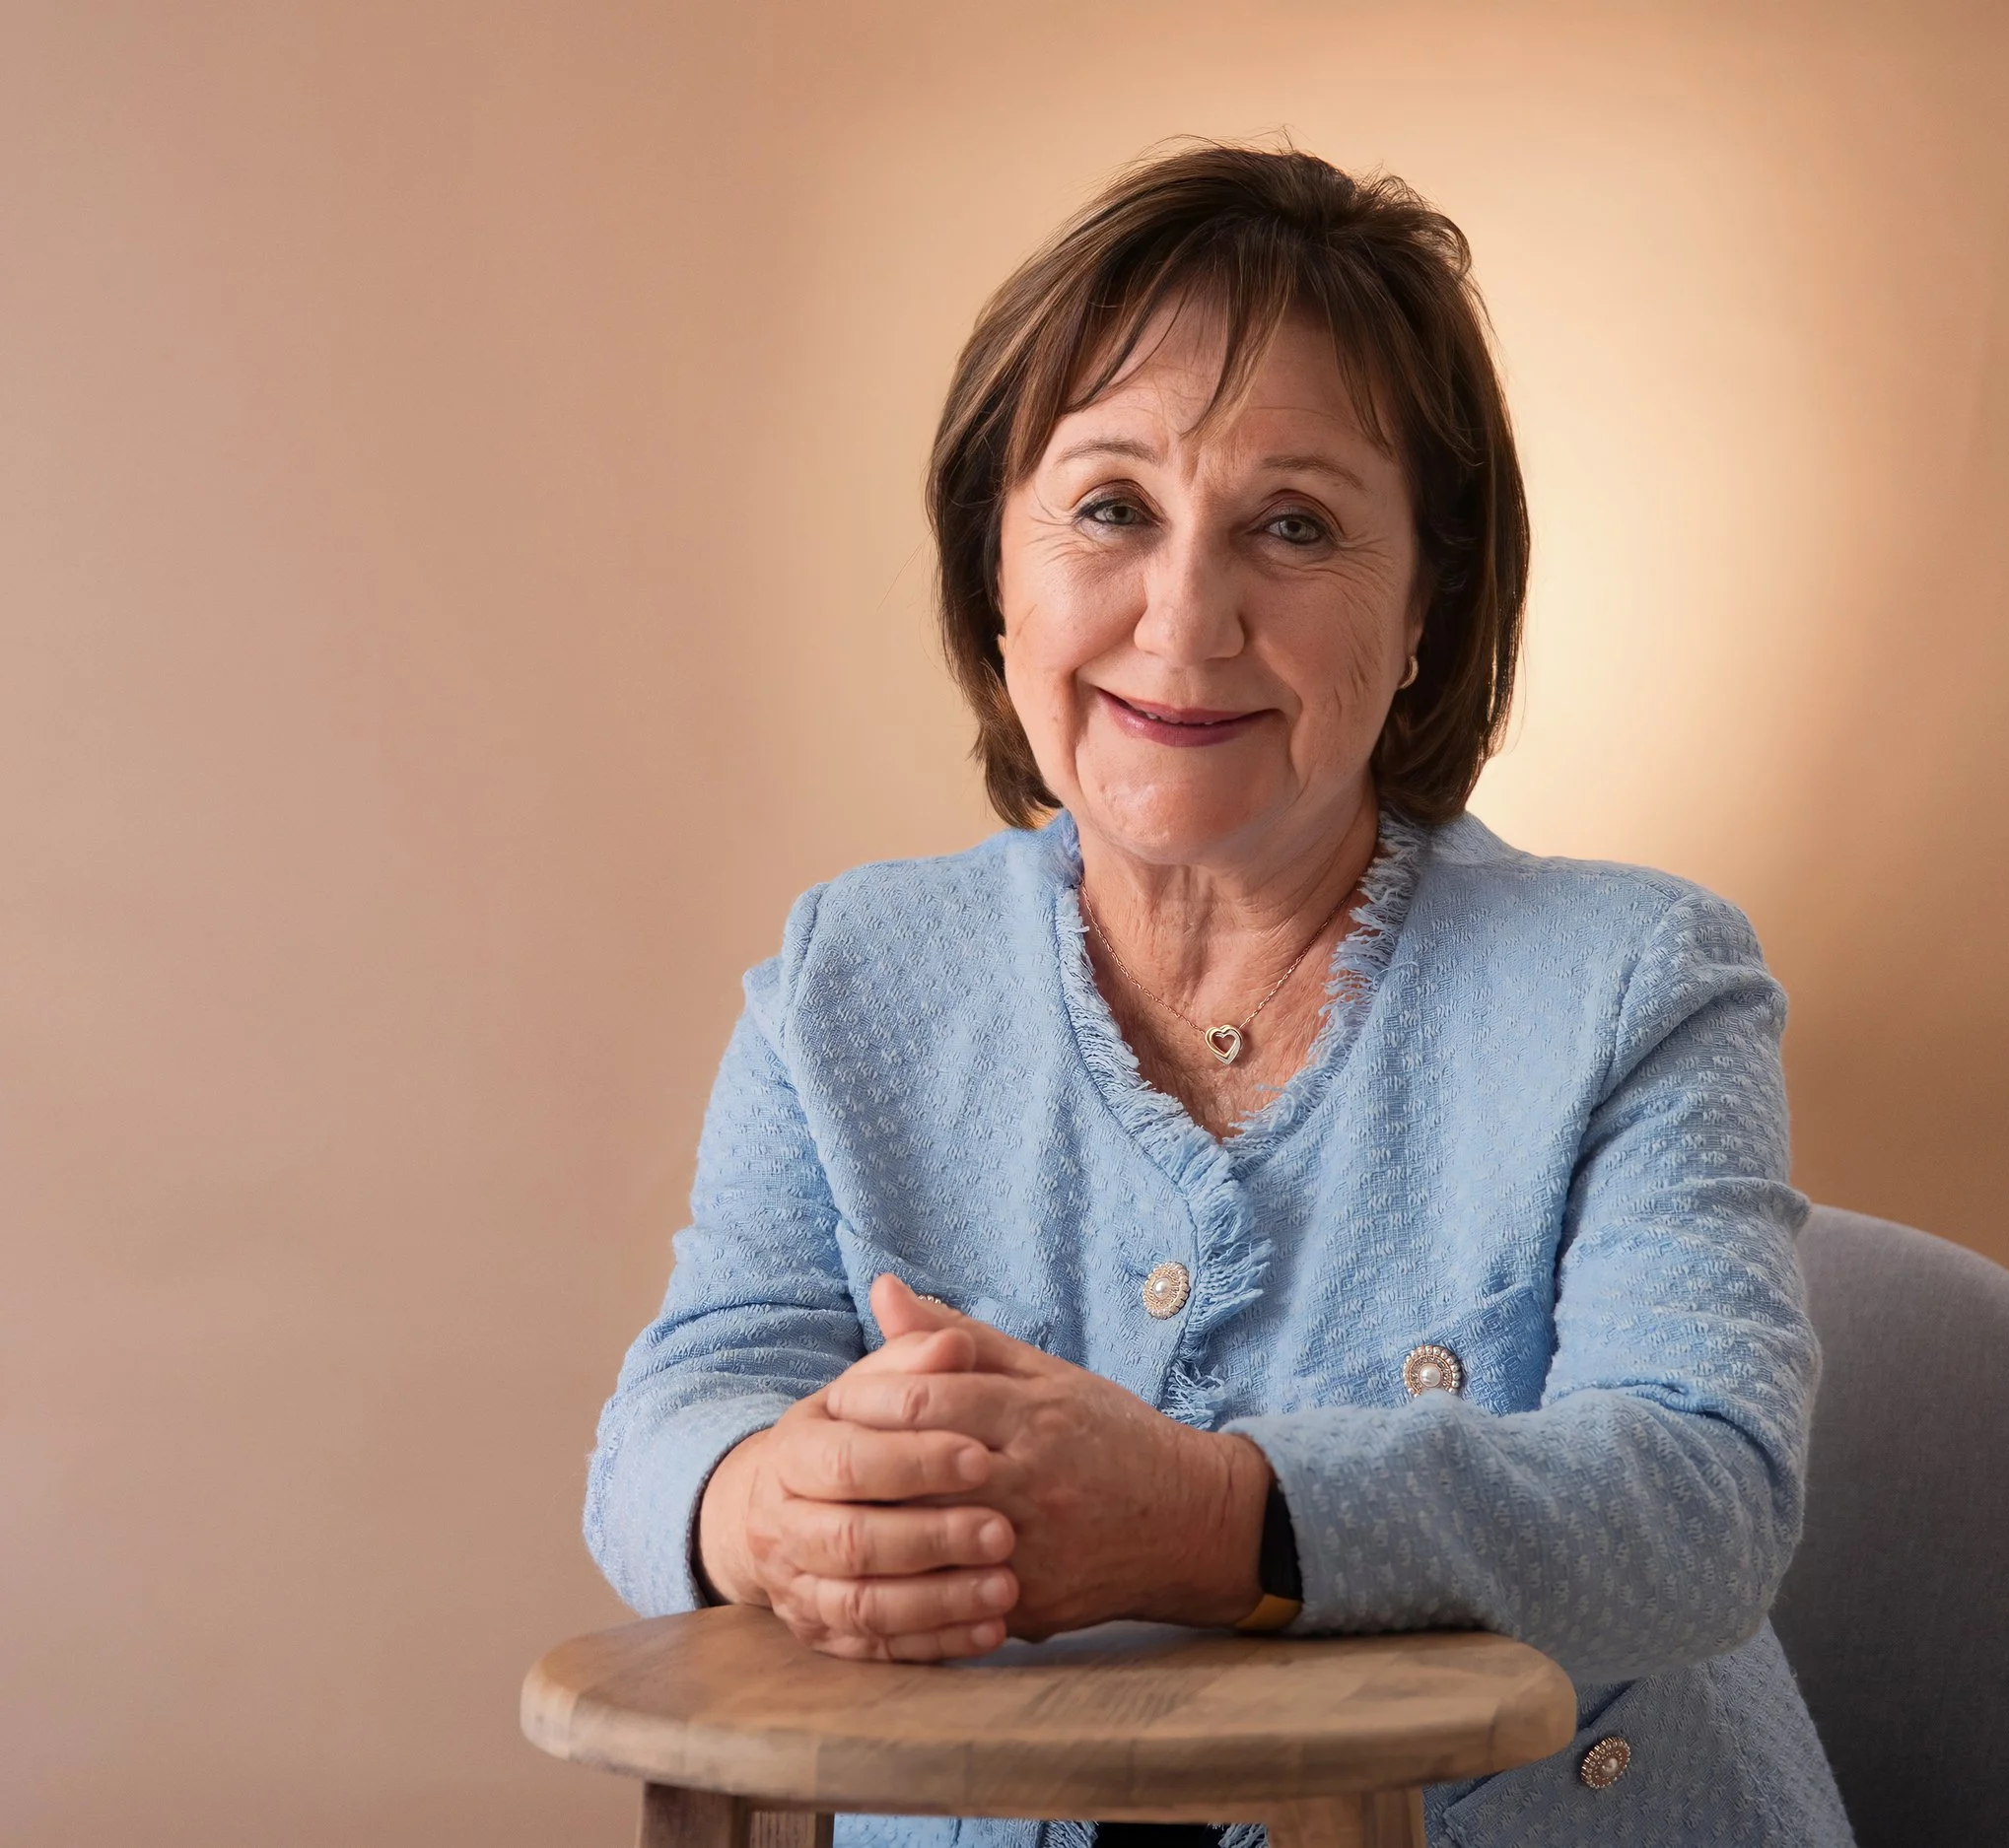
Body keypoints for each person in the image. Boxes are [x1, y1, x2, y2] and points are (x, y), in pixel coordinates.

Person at [586, 143, 1852, 1847]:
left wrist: (1205, 1516)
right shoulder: (850, 977)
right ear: (996, 567)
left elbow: (1707, 1500)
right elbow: (678, 1411)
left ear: (1427, 611)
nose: (1184, 618)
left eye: (1296, 526)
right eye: (1112, 507)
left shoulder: (1639, 982)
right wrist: (765, 1503)